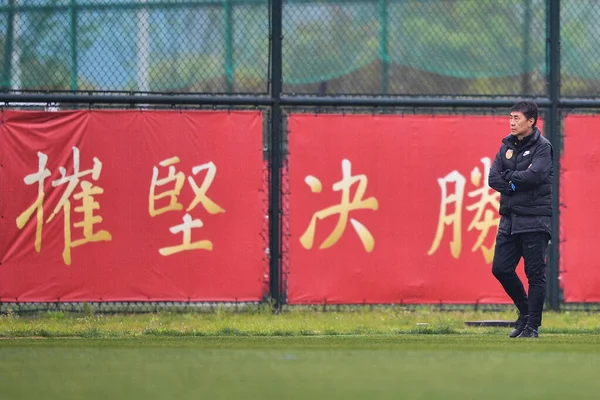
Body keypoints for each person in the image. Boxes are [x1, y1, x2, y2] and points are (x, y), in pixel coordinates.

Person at [488, 100, 553, 339]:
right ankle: (525, 312)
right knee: (501, 269)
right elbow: (493, 178)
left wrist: (511, 180)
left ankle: (532, 326)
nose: (512, 122)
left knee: (534, 274)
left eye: (517, 118)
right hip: (509, 220)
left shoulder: (543, 147)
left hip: (535, 220)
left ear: (531, 121)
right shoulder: (506, 145)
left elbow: (535, 175)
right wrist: (515, 180)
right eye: (511, 117)